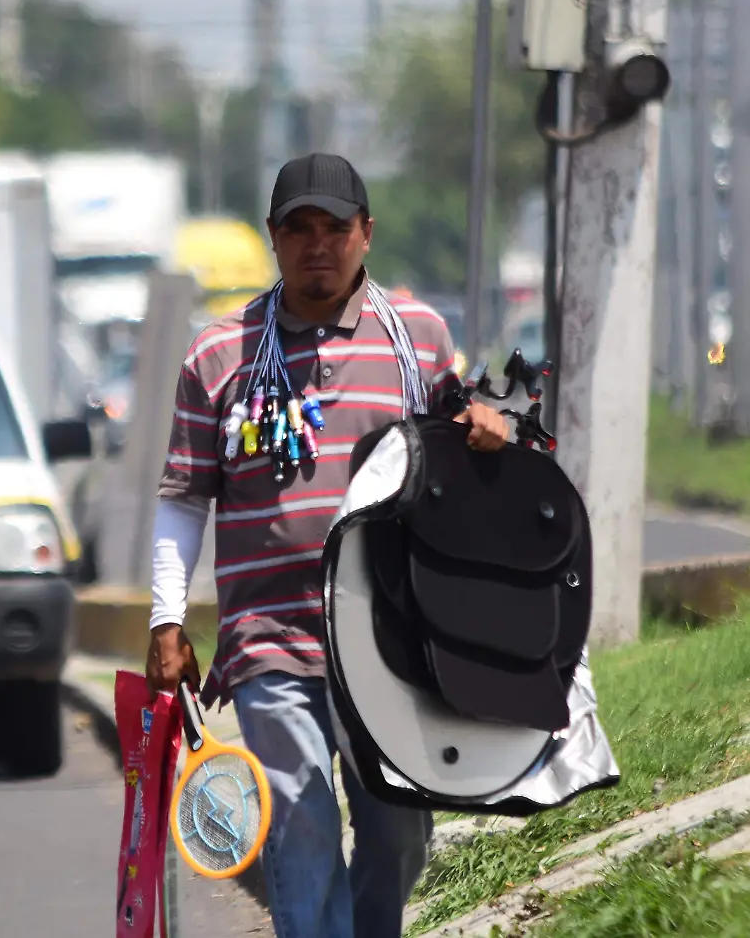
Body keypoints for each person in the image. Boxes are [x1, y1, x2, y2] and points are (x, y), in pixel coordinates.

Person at [146, 152, 514, 938]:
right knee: (301, 806)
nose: (319, 245)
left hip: (391, 636)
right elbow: (183, 498)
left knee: (399, 828)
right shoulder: (220, 353)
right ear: (273, 240)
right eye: (298, 229)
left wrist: (485, 429)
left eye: (335, 228)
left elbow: (456, 441)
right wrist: (165, 617)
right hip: (271, 639)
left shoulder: (417, 336)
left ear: (366, 234)